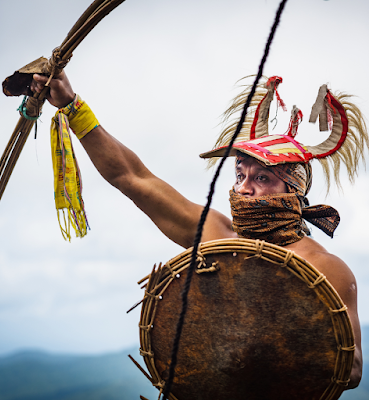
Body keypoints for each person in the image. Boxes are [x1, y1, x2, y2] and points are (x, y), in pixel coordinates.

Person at [31, 72, 363, 389]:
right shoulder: (217, 235)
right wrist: (72, 106)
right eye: (240, 174)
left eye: (261, 177)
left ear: (294, 190)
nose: (244, 188)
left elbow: (351, 371)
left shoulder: (324, 268)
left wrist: (272, 332)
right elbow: (132, 178)